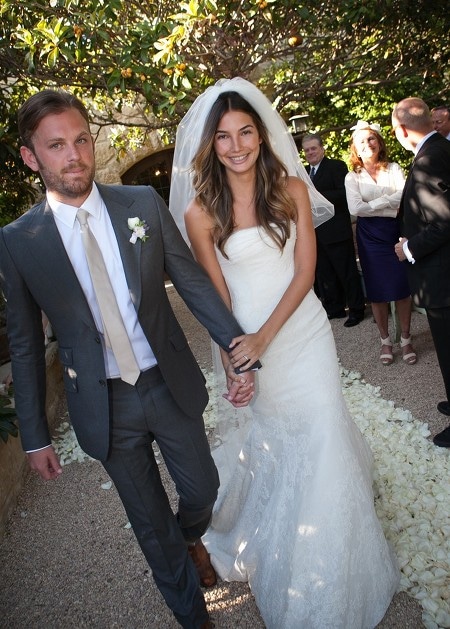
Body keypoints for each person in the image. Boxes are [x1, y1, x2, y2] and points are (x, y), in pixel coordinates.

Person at [0, 89, 262, 629]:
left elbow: (191, 282)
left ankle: (189, 536)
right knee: (147, 523)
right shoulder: (19, 241)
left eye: (80, 140)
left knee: (202, 489)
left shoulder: (139, 203)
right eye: (56, 146)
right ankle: (193, 616)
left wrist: (240, 353)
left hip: (166, 381)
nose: (74, 156)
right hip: (103, 405)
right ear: (31, 156)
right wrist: (34, 435)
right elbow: (25, 344)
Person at [169, 77, 399, 629]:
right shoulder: (200, 213)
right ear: (210, 146)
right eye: (223, 137)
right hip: (245, 342)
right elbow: (215, 298)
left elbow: (304, 273)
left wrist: (264, 339)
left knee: (322, 429)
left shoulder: (293, 188)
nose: (237, 145)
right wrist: (233, 359)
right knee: (277, 444)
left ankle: (336, 573)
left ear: (262, 134)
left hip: (301, 335)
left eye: (245, 131)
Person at [392, 97, 450, 448]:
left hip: (442, 276)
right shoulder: (442, 147)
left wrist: (408, 248)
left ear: (401, 130)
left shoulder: (429, 159)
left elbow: (444, 222)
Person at [345, 121, 416, 366]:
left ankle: (406, 338)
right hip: (369, 237)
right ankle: (385, 340)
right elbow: (355, 208)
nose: (368, 144)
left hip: (395, 231)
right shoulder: (351, 177)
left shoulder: (394, 168)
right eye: (362, 141)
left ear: (379, 142)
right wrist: (386, 203)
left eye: (371, 139)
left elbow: (403, 195)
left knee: (402, 288)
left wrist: (373, 206)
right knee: (377, 292)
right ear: (355, 147)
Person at [302, 133, 365, 326]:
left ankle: (356, 310)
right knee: (324, 274)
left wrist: (314, 195)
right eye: (307, 150)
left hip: (336, 231)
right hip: (314, 233)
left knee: (346, 272)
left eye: (313, 148)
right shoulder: (302, 172)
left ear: (322, 149)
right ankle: (335, 308)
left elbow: (342, 195)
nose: (310, 152)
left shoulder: (336, 166)